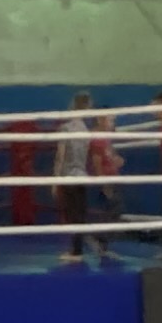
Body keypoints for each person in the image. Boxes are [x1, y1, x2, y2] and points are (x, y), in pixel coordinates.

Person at [50, 89, 116, 264]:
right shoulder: (86, 130)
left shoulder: (66, 128)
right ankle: (78, 248)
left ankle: (76, 251)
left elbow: (60, 156)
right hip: (81, 175)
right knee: (79, 213)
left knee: (73, 214)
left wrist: (54, 180)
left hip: (68, 176)